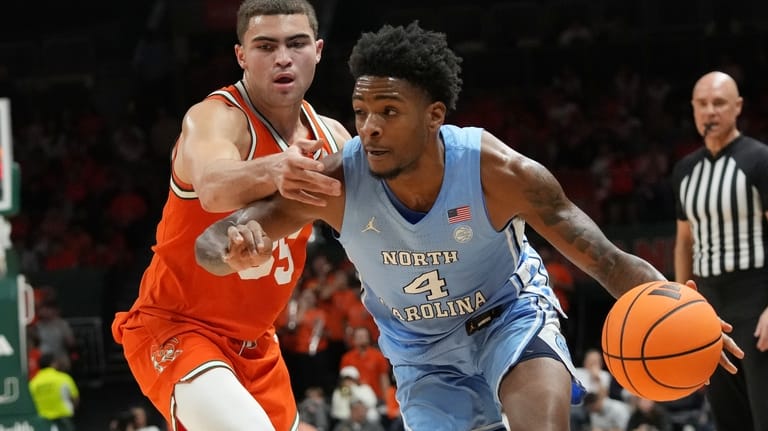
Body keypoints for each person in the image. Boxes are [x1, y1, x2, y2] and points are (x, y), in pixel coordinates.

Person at [195, 22, 742, 431]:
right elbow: (215, 241)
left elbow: (604, 258)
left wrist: (681, 310)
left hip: (508, 319)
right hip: (420, 352)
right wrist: (234, 247)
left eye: (389, 111)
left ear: (435, 114)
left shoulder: (498, 172)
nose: (370, 128)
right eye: (362, 112)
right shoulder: (338, 178)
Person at [110, 1, 352, 430]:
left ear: (317, 51)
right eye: (265, 46)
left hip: (257, 342)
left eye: (296, 44)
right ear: (241, 55)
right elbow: (213, 186)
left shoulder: (331, 136)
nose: (282, 57)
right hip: (178, 326)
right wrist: (280, 167)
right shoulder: (215, 119)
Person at [672, 70, 768, 431]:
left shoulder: (760, 160)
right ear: (693, 108)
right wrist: (682, 306)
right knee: (728, 419)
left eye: (719, 103)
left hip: (756, 301)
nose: (709, 112)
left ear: (738, 107)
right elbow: (684, 242)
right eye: (702, 104)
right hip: (709, 308)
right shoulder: (685, 170)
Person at [28, 353, 80, 431]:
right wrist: (73, 409)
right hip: (63, 416)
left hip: (42, 420)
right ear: (53, 363)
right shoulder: (63, 378)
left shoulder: (33, 383)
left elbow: (29, 402)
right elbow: (75, 398)